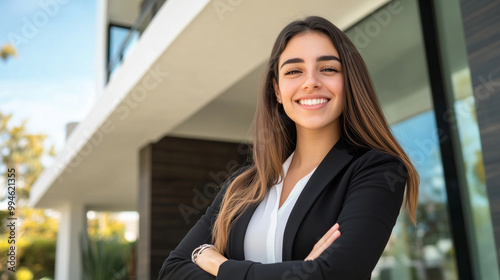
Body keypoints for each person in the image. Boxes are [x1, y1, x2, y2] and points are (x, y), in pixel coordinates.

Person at [158, 15, 419, 280]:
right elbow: (172, 270)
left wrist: (219, 265)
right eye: (294, 71)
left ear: (349, 81)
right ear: (277, 90)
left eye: (328, 68)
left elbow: (337, 273)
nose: (310, 82)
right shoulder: (243, 185)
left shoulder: (376, 170)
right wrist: (303, 270)